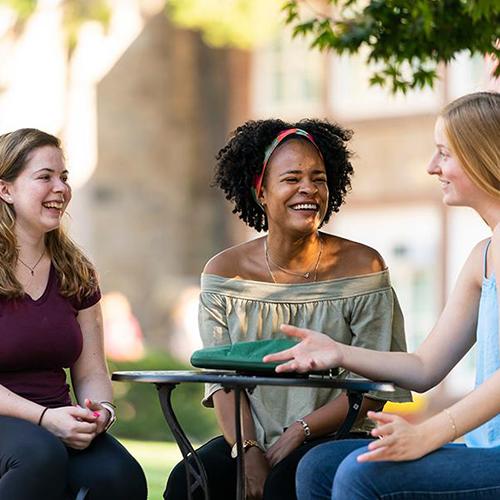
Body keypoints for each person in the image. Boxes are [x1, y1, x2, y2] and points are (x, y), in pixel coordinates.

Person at [264, 91, 500, 499]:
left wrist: (427, 434)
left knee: (362, 474)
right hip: (481, 450)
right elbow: (425, 367)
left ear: (483, 157)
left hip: (490, 457)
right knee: (320, 465)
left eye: (445, 153)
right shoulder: (483, 256)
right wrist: (340, 352)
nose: (432, 167)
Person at [165, 119, 411, 500]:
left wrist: (300, 430)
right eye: (292, 178)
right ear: (261, 191)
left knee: (285, 484)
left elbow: (374, 386)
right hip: (250, 435)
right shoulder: (223, 274)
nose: (308, 189)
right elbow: (222, 380)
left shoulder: (364, 267)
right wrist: (247, 450)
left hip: (337, 435)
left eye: (319, 178)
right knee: (190, 480)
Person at [0, 128, 147, 500]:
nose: (61, 188)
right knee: (38, 456)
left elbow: (92, 370)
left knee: (121, 475)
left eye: (64, 177)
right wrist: (45, 419)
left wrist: (102, 414)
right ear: (6, 190)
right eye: (44, 177)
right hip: (20, 424)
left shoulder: (76, 270)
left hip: (56, 418)